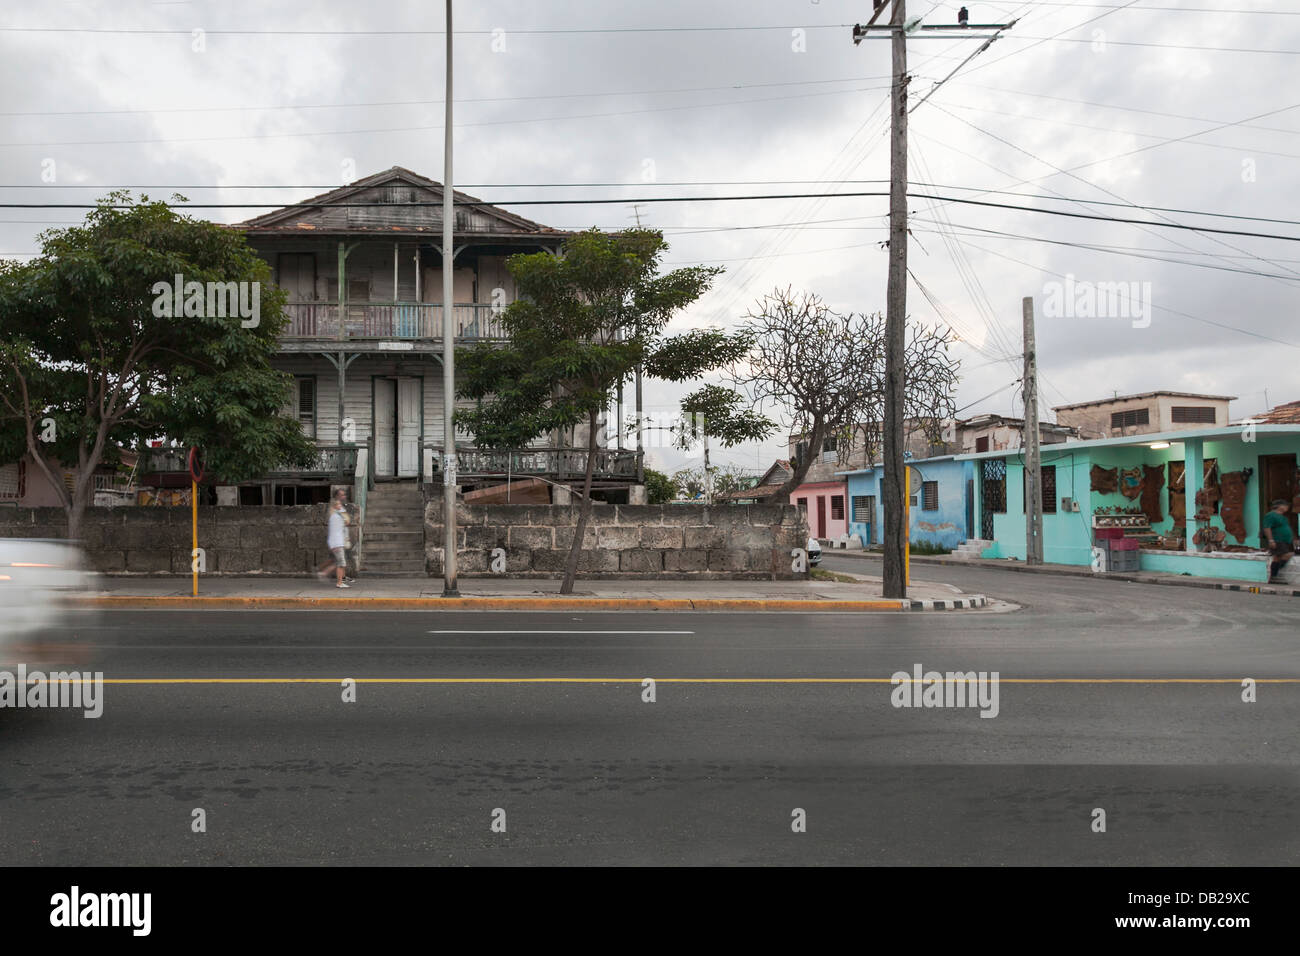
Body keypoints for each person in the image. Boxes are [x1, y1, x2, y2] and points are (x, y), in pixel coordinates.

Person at [318, 489, 353, 588]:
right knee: (340, 563)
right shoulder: (335, 517)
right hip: (337, 543)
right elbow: (335, 531)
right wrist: (335, 545)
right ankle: (338, 582)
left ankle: (327, 574)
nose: (340, 506)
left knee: (339, 562)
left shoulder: (336, 516)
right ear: (335, 506)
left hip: (338, 542)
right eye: (338, 505)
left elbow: (345, 524)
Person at [1261, 498, 1294, 583]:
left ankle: (1274, 576)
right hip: (1277, 540)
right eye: (1285, 505)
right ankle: (1274, 575)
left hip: (1284, 541)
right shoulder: (1271, 515)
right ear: (1279, 506)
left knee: (1278, 557)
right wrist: (1271, 540)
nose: (1287, 507)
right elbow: (1267, 527)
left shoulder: (1283, 517)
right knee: (1285, 555)